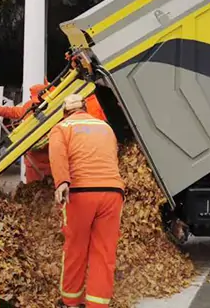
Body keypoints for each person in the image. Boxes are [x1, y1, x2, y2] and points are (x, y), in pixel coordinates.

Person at [49, 94, 124, 308]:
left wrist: (62, 182)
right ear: (85, 108)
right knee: (104, 251)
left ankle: (70, 301)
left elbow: (57, 155)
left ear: (65, 112)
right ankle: (98, 304)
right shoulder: (105, 128)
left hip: (81, 193)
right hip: (112, 193)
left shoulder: (62, 128)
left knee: (76, 248)